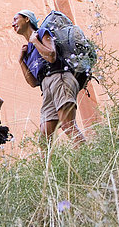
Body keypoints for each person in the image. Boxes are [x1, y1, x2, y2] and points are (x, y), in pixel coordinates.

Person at [12, 10, 86, 145]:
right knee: (44, 139)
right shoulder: (28, 50)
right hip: (46, 87)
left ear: (27, 19)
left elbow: (51, 56)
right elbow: (33, 82)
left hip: (59, 78)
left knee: (68, 125)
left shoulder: (41, 33)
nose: (13, 24)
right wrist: (21, 60)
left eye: (16, 19)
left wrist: (35, 41)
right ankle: (50, 166)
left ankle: (92, 159)